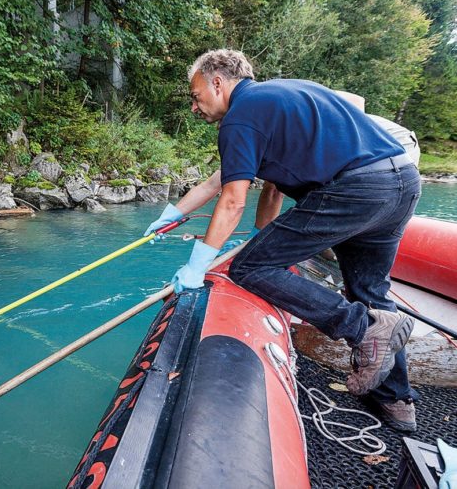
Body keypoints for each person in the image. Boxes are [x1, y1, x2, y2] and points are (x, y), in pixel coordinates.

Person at [144, 49, 421, 431]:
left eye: (195, 95)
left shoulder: (241, 119)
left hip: (357, 189)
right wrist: (175, 214)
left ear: (218, 82)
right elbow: (257, 188)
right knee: (371, 291)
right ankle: (397, 402)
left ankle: (359, 327)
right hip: (402, 183)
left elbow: (232, 198)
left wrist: (196, 265)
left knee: (249, 267)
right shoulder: (279, 98)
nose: (194, 107)